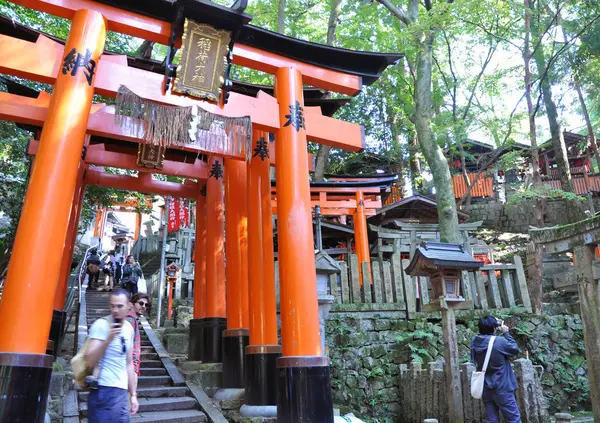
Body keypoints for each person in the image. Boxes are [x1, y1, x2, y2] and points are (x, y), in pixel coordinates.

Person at [84, 289, 138, 422]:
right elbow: (89, 361)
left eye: (120, 306)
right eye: (112, 306)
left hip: (121, 391)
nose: (115, 310)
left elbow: (129, 363)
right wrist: (108, 340)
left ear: (129, 306)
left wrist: (133, 395)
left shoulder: (129, 329)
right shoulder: (101, 325)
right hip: (103, 389)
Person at [471, 315, 522, 423]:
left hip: (485, 386)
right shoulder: (500, 341)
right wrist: (506, 332)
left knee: (492, 419)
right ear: (494, 327)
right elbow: (515, 349)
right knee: (513, 419)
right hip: (502, 386)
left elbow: (473, 358)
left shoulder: (475, 341)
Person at [126, 293, 151, 376]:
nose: (144, 306)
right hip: (130, 366)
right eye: (141, 303)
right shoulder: (130, 320)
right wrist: (133, 367)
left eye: (146, 305)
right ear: (132, 303)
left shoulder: (133, 319)